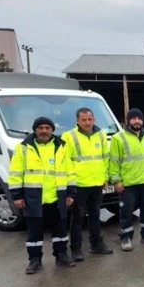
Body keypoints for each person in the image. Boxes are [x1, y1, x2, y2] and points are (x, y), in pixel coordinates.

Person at [8, 117, 77, 274]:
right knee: (34, 232)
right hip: (34, 198)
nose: (44, 131)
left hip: (57, 197)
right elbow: (15, 174)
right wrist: (17, 196)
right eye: (41, 128)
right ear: (35, 130)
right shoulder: (23, 148)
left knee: (60, 230)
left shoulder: (62, 147)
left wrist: (71, 193)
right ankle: (35, 260)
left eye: (47, 127)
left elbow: (70, 171)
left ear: (52, 130)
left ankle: (61, 255)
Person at [60, 107, 113, 261]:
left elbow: (105, 158)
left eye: (90, 119)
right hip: (79, 184)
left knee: (96, 215)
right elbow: (66, 161)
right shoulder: (68, 136)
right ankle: (76, 248)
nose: (87, 122)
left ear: (94, 119)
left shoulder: (101, 135)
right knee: (77, 217)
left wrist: (105, 178)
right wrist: (71, 183)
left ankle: (96, 244)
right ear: (77, 121)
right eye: (83, 120)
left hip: (97, 183)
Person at [109, 108, 144, 251]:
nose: (137, 121)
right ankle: (126, 238)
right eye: (134, 118)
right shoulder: (119, 138)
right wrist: (116, 180)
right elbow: (114, 161)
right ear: (128, 120)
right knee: (126, 211)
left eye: (139, 118)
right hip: (128, 183)